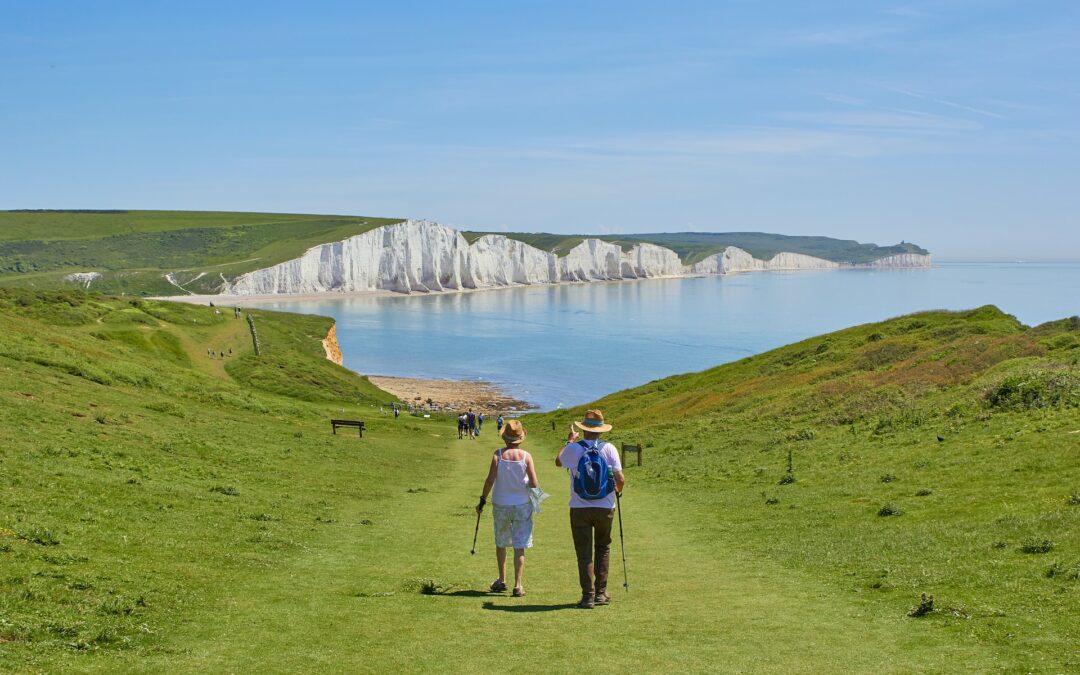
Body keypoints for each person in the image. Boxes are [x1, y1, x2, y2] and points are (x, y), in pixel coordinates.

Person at [556, 409, 625, 609]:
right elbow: (620, 479)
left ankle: (588, 596)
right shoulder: (609, 448)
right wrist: (617, 492)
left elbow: (558, 461)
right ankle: (601, 593)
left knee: (583, 552)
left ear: (583, 429)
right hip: (605, 506)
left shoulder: (574, 449)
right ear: (601, 430)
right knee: (603, 548)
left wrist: (569, 441)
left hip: (579, 507)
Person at [476, 420, 539, 597]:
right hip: (522, 504)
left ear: (505, 438)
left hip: (501, 503)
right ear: (520, 439)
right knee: (520, 545)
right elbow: (534, 483)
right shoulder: (526, 456)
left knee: (501, 542)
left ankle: (502, 580)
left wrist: (482, 500)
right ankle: (518, 585)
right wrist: (533, 496)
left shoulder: (498, 455)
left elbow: (490, 480)